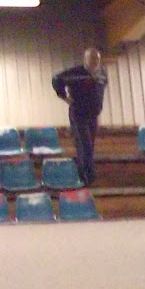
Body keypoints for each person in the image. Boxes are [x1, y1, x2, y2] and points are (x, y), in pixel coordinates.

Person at [52, 47, 108, 186]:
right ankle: (87, 178)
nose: (95, 61)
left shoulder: (102, 74)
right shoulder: (75, 73)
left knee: (89, 146)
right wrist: (64, 97)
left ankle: (84, 175)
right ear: (85, 59)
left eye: (97, 59)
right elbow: (56, 79)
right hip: (79, 114)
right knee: (84, 145)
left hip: (93, 115)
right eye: (91, 58)